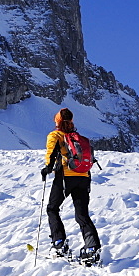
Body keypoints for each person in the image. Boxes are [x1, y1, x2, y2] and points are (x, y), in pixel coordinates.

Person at [41, 107, 101, 264]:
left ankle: (59, 244)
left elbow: (51, 154)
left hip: (65, 177)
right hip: (84, 177)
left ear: (57, 121)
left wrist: (47, 168)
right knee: (82, 214)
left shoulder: (55, 135)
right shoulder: (78, 137)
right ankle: (91, 248)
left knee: (52, 208)